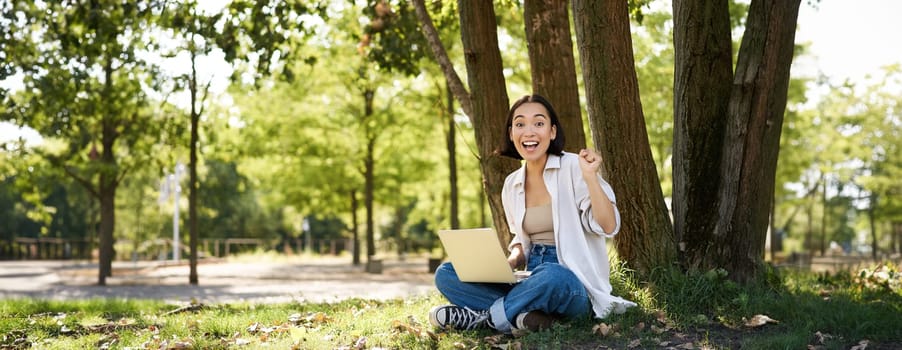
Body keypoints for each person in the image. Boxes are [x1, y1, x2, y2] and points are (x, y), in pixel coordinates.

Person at [428, 94, 636, 335]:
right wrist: (511, 260)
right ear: (511, 134)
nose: (529, 131)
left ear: (552, 132)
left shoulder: (573, 167)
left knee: (553, 275)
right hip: (528, 278)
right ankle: (527, 317)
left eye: (538, 123)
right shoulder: (512, 184)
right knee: (446, 273)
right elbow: (520, 237)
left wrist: (590, 178)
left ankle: (486, 318)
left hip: (571, 284)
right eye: (519, 124)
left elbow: (608, 226)